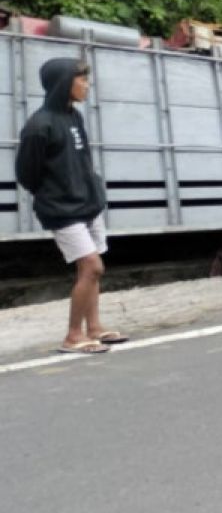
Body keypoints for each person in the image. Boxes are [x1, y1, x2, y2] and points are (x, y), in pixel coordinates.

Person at [15, 58, 127, 354]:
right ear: (64, 83)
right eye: (82, 79)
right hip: (62, 210)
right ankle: (73, 336)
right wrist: (56, 194)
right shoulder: (40, 126)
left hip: (88, 204)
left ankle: (95, 328)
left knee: (90, 270)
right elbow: (27, 174)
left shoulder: (73, 116)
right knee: (92, 266)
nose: (87, 85)